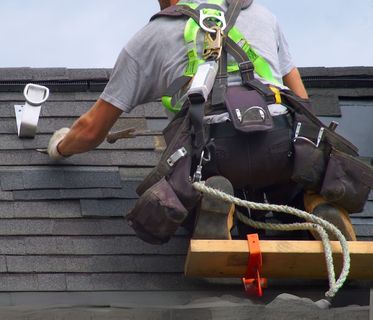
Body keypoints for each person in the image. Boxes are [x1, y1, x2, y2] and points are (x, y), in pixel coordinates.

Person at [48, 0, 357, 242]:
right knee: (294, 183)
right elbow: (304, 106)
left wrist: (59, 147)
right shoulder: (263, 16)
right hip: (282, 147)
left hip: (215, 153)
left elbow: (91, 130)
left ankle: (216, 205)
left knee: (189, 186)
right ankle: (315, 205)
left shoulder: (151, 36)